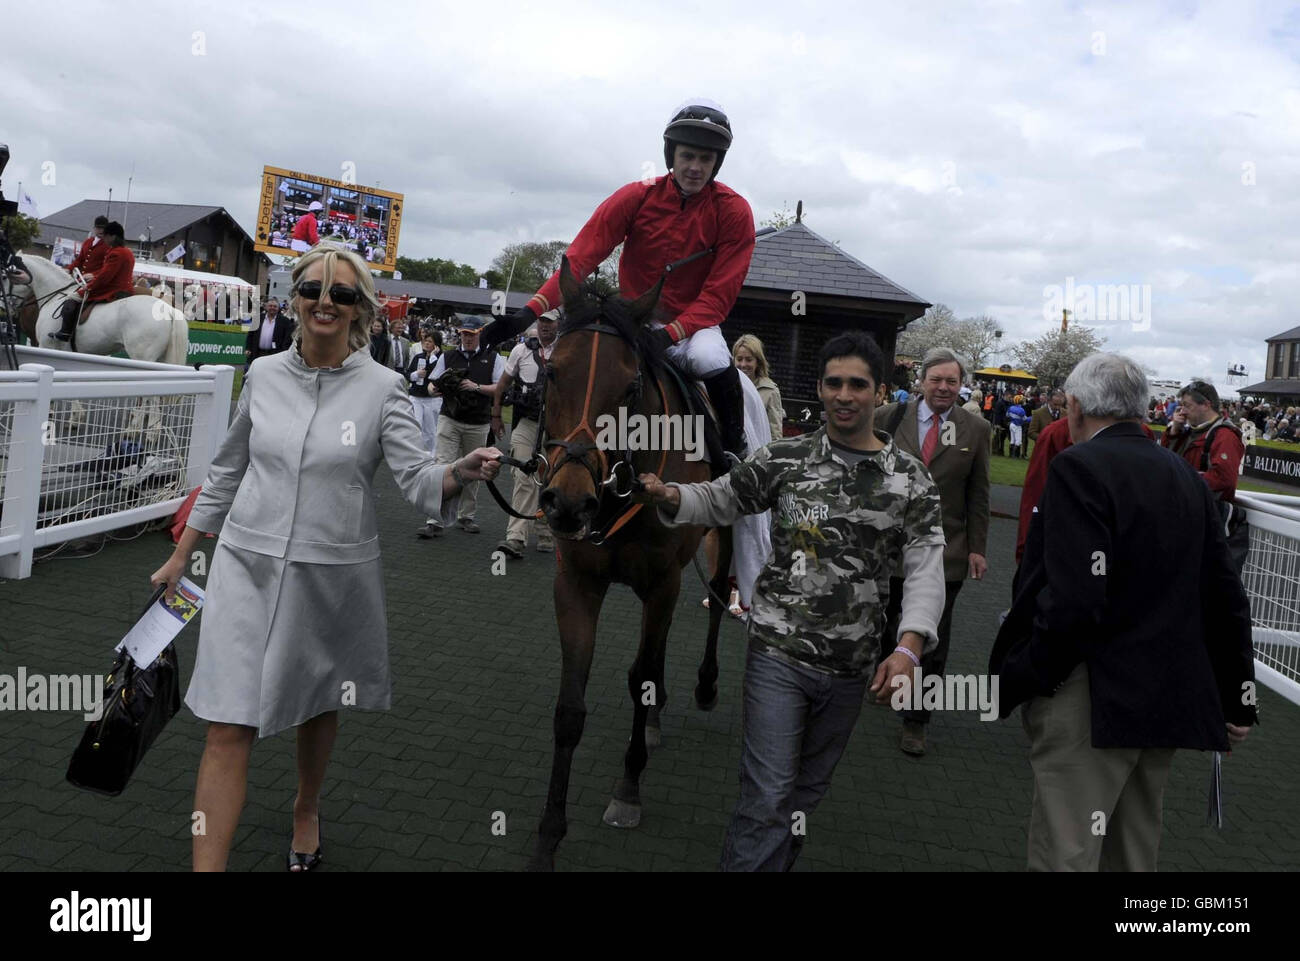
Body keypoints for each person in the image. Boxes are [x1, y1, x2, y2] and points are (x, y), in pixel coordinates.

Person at [148, 242, 502, 872]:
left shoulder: (384, 388)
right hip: (244, 568)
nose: (324, 303)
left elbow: (418, 480)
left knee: (316, 704)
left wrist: (461, 473)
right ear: (294, 299)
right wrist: (182, 556)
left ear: (360, 308)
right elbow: (227, 473)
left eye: (341, 293)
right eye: (313, 289)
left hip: (330, 577)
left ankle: (305, 807)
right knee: (228, 724)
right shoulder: (261, 376)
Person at [638, 331, 946, 871]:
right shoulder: (785, 458)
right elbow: (722, 497)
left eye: (858, 384)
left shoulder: (909, 479)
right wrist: (671, 495)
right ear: (820, 390)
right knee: (767, 799)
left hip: (852, 668)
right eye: (833, 383)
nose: (844, 395)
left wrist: (911, 647)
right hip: (778, 652)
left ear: (880, 393)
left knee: (801, 800)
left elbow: (925, 566)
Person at [989, 352, 1256, 871]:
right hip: (1166, 694)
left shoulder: (1079, 466)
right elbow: (1225, 595)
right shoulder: (1183, 474)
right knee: (1133, 852)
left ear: (1076, 405)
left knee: (1067, 852)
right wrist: (1238, 696)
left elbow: (1074, 601)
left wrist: (1027, 676)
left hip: (1091, 692)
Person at [489, 98, 756, 466]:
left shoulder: (734, 211)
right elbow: (581, 257)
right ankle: (550, 454)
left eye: (705, 160)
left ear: (717, 163)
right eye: (688, 156)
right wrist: (527, 313)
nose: (695, 168)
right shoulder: (635, 196)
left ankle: (732, 448)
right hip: (632, 320)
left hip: (695, 327)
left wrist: (669, 334)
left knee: (710, 358)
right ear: (671, 155)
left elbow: (719, 295)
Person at [875, 347, 991, 756]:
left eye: (952, 381)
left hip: (946, 551)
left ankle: (916, 721)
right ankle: (886, 676)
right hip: (888, 547)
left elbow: (978, 494)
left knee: (931, 639)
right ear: (921, 381)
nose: (944, 387)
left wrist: (977, 548)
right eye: (936, 379)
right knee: (888, 628)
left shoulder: (976, 430)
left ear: (962, 386)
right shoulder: (886, 419)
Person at [417, 314, 505, 537]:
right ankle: (434, 519)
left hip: (478, 421)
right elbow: (431, 384)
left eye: (471, 334)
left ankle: (466, 516)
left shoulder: (494, 358)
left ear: (479, 335)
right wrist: (433, 390)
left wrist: (475, 387)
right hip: (450, 418)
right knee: (442, 464)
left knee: (474, 470)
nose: (467, 338)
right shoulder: (448, 356)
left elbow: (500, 388)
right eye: (464, 334)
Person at [492, 309, 559, 558]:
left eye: (550, 322)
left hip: (556, 427)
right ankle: (516, 537)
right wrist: (496, 415)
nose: (545, 326)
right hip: (528, 423)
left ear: (558, 324)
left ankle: (545, 530)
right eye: (542, 321)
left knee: (551, 479)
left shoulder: (568, 350)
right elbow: (502, 385)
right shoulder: (522, 350)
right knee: (523, 476)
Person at [1162, 380, 1248, 573]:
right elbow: (1163, 461)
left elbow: (1224, 481)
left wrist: (1181, 482)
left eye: (1188, 406)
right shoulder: (1187, 432)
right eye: (1181, 406)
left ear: (1206, 404)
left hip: (1205, 523)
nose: (1183, 411)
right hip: (1186, 519)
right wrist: (1174, 430)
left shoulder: (1225, 435)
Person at [52, 221, 135, 342]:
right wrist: (93, 276)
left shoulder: (116, 253)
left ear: (113, 236)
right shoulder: (127, 251)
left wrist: (88, 287)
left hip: (112, 289)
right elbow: (108, 273)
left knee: (71, 298)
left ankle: (65, 332)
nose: (104, 238)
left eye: (106, 235)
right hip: (122, 287)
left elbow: (105, 277)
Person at [733, 333, 784, 443]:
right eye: (739, 359)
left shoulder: (770, 391)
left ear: (758, 362)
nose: (743, 364)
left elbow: (775, 434)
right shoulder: (726, 386)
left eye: (749, 359)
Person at [406, 326, 443, 454]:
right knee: (415, 425)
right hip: (416, 396)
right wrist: (415, 374)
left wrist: (433, 357)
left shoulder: (440, 358)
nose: (427, 343)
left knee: (430, 429)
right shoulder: (418, 357)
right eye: (426, 341)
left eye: (430, 341)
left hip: (431, 399)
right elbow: (408, 374)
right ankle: (413, 452)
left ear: (436, 344)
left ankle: (431, 454)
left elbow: (437, 375)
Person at [244, 299, 293, 370]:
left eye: (275, 306)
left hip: (274, 354)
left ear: (278, 308)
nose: (272, 308)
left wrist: (283, 352)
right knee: (250, 374)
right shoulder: (258, 318)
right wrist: (248, 348)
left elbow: (287, 339)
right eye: (270, 306)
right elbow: (250, 335)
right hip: (257, 352)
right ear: (266, 307)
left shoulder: (285, 321)